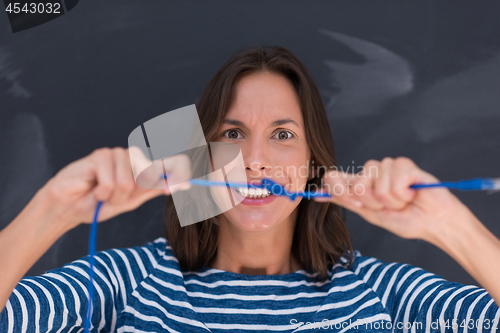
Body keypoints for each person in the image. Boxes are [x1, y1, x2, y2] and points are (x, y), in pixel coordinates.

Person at [1, 46, 499, 332]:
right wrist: (53, 211)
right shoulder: (124, 281)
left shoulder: (387, 293)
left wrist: (450, 226)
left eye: (283, 135)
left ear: (312, 162)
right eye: (232, 133)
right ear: (202, 156)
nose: (255, 161)